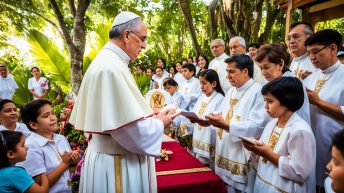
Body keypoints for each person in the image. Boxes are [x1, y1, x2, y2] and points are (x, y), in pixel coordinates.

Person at [69, 11, 172, 193]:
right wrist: (159, 123)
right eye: (142, 39)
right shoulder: (111, 68)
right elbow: (127, 130)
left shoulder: (109, 61)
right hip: (117, 163)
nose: (145, 45)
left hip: (109, 157)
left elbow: (119, 115)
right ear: (126, 35)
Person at [205, 54, 269, 192]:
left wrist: (226, 125)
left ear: (245, 71)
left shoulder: (258, 92)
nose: (227, 76)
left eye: (231, 71)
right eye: (227, 72)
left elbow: (257, 127)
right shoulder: (230, 91)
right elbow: (226, 114)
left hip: (241, 155)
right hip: (224, 152)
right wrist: (215, 118)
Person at [243, 77, 316, 193]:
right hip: (263, 183)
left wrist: (267, 153)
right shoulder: (271, 124)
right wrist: (254, 149)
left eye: (270, 101)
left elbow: (300, 171)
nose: (265, 106)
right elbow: (260, 158)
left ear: (287, 102)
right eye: (265, 101)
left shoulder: (299, 131)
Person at [303, 29, 344, 191]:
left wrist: (319, 102)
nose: (311, 57)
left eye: (315, 52)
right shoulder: (312, 77)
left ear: (333, 48)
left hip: (333, 147)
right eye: (309, 53)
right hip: (311, 145)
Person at [19, 99, 80, 193]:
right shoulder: (31, 146)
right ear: (33, 125)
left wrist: (74, 163)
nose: (53, 118)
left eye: (53, 113)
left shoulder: (61, 139)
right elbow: (39, 186)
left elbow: (67, 172)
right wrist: (64, 164)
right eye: (46, 116)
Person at [255, 43, 310, 124]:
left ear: (281, 64)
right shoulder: (274, 82)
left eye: (266, 67)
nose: (263, 72)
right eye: (261, 68)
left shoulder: (290, 85)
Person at [191, 69, 224, 167]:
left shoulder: (220, 98)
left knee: (208, 166)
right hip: (199, 134)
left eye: (204, 83)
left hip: (209, 136)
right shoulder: (202, 97)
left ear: (213, 83)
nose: (201, 86)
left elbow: (218, 120)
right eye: (200, 83)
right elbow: (195, 112)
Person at [178, 63, 201, 138]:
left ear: (192, 72)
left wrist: (187, 98)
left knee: (191, 134)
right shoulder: (183, 83)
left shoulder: (197, 82)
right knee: (183, 136)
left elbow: (199, 95)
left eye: (185, 71)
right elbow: (179, 94)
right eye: (182, 71)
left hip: (192, 110)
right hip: (183, 111)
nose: (183, 73)